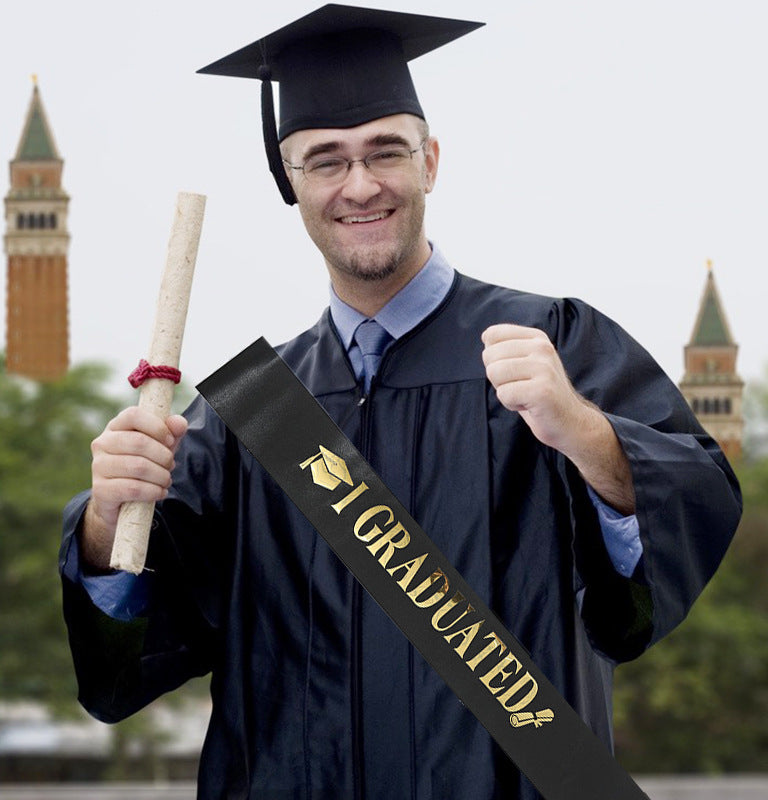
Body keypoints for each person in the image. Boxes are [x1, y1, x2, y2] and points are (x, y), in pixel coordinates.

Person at [60, 6, 741, 799]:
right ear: (291, 181)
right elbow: (134, 657)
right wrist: (110, 520)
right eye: (325, 161)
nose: (360, 184)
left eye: (386, 151)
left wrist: (586, 435)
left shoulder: (558, 344)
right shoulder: (247, 413)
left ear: (431, 161)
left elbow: (674, 539)